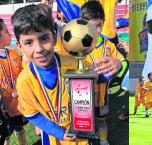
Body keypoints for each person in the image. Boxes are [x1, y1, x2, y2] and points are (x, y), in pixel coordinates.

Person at [13, 4, 122, 145]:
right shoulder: (23, 82)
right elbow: (33, 115)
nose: (39, 49)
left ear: (53, 36)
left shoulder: (73, 63)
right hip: (53, 137)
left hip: (81, 134)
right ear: (19, 47)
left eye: (44, 38)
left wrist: (117, 65)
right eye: (29, 42)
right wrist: (60, 133)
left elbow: (100, 76)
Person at [80, 1, 127, 145]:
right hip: (82, 97)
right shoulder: (76, 44)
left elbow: (123, 63)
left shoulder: (108, 45)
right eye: (91, 26)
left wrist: (119, 64)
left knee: (101, 120)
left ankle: (103, 140)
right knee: (84, 124)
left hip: (102, 94)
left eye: (99, 25)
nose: (96, 30)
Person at [0, 18, 27, 145]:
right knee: (5, 134)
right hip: (3, 108)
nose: (10, 34)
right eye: (6, 31)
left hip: (17, 105)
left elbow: (22, 75)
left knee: (20, 129)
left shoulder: (15, 54)